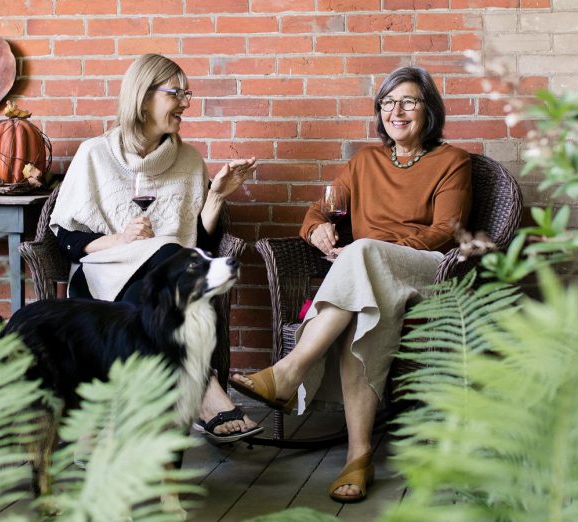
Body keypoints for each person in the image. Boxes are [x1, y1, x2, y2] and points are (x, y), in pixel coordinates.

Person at [230, 66, 472, 501]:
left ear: (429, 109)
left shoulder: (452, 162)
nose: (396, 111)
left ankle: (290, 371)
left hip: (426, 269)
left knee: (363, 253)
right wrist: (316, 229)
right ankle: (358, 457)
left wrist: (374, 247)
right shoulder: (364, 161)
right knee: (364, 307)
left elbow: (445, 232)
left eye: (409, 102)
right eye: (387, 103)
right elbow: (320, 209)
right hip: (367, 278)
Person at [49, 53, 263, 443]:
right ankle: (202, 388)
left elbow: (199, 245)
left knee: (168, 252)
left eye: (188, 93)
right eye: (176, 93)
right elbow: (65, 239)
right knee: (167, 251)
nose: (185, 102)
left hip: (165, 288)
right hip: (103, 278)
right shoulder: (94, 154)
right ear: (143, 97)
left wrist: (215, 196)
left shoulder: (189, 159)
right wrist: (121, 240)